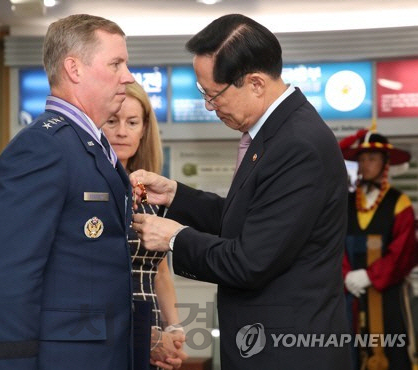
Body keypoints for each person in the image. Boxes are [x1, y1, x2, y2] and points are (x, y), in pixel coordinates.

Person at [130, 13, 352, 370]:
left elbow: (250, 261)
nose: (208, 105)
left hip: (288, 353)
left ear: (256, 83)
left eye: (213, 94)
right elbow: (248, 220)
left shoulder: (297, 146)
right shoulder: (276, 133)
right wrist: (176, 196)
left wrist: (175, 238)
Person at [0, 14, 137, 370]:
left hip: (101, 352)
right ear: (74, 69)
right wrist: (12, 363)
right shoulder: (43, 147)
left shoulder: (87, 145)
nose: (128, 76)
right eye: (116, 64)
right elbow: (8, 272)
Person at [102, 81, 187, 370]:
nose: (122, 131)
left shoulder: (152, 192)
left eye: (132, 122)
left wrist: (173, 328)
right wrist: (147, 338)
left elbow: (160, 269)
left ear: (144, 129)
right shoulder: (91, 189)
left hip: (151, 325)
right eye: (112, 121)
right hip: (105, 329)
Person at [341, 130, 417, 370]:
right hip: (348, 294)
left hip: (388, 295)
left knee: (391, 351)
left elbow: (404, 250)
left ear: (385, 163)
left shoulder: (399, 202)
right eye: (362, 159)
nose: (366, 165)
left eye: (372, 158)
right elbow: (333, 243)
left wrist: (370, 276)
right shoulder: (345, 202)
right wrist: (346, 276)